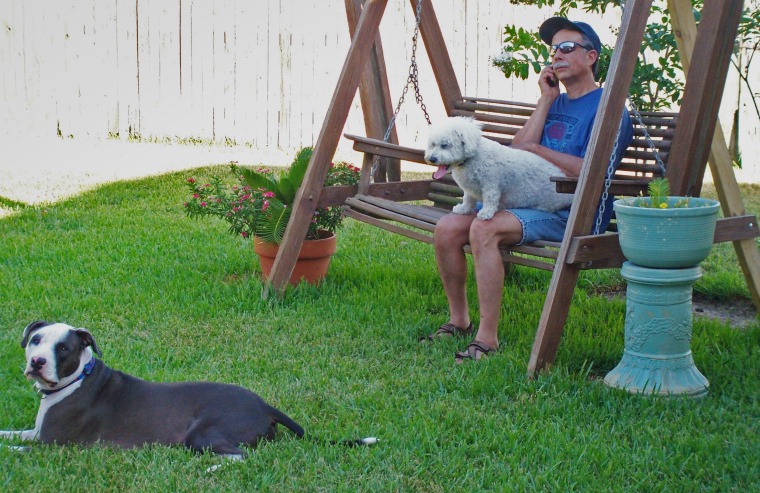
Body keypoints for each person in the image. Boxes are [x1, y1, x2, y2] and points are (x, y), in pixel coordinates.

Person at [425, 17, 634, 362]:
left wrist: (537, 151)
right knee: (447, 228)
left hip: (572, 212)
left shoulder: (608, 108)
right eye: (554, 50)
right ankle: (458, 320)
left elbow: (592, 172)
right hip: (529, 202)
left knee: (484, 227)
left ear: (592, 56)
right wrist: (545, 100)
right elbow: (517, 148)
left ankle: (486, 338)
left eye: (567, 48)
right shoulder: (555, 102)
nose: (557, 56)